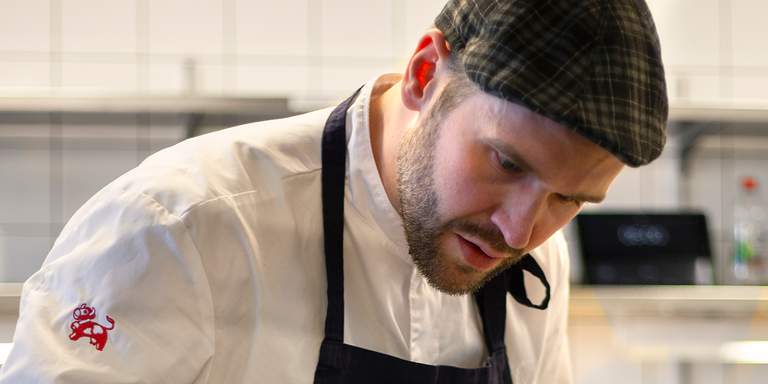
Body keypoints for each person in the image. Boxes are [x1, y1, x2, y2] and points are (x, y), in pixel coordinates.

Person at [0, 0, 667, 383]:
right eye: (506, 163)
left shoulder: (532, 262)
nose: (521, 232)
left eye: (568, 200)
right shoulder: (180, 229)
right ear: (424, 72)